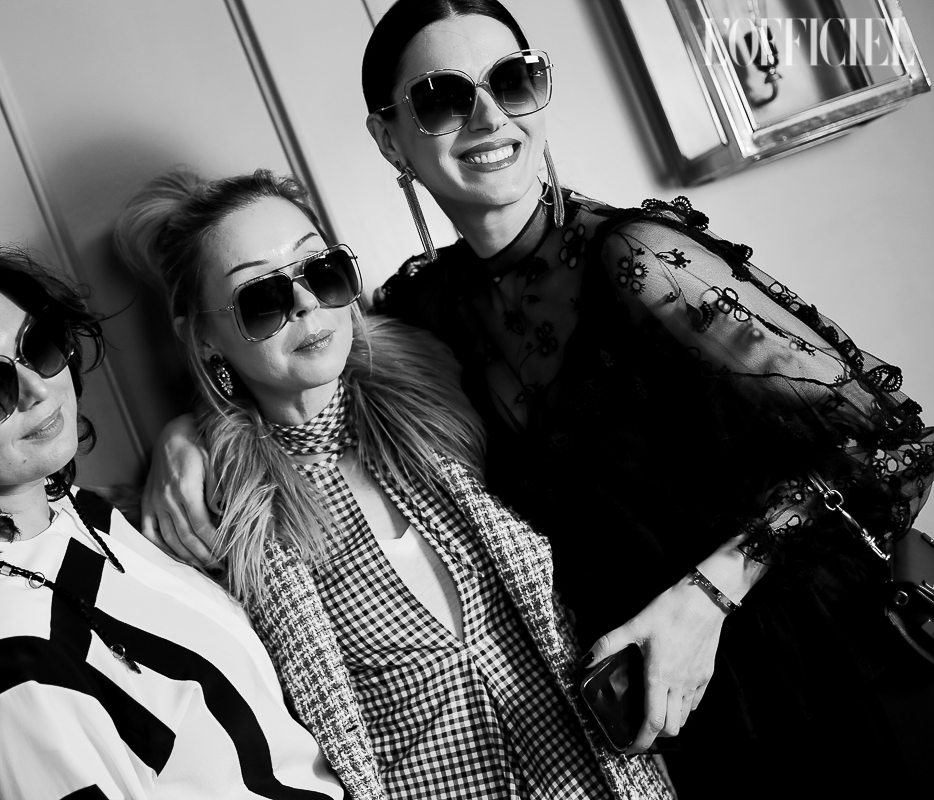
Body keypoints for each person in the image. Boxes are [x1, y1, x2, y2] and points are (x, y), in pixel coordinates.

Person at [142, 1, 934, 797]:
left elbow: (895, 447)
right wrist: (194, 434)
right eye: (444, 98)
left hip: (811, 665)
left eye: (512, 80)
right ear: (390, 138)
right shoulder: (425, 313)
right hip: (659, 728)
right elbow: (302, 361)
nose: (489, 117)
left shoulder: (639, 260)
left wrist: (706, 598)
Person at [115, 168, 671, 799]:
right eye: (260, 299)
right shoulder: (214, 516)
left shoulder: (442, 372)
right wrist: (192, 432)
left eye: (320, 271)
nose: (306, 303)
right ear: (202, 337)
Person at [0, 231, 346, 800]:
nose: (37, 389)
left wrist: (189, 432)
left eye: (38, 343)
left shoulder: (56, 507)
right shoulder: (10, 670)